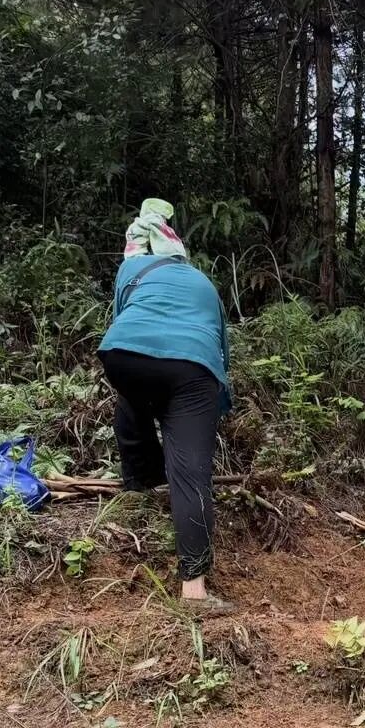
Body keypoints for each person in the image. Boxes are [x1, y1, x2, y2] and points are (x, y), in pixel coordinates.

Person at [98, 198, 234, 613]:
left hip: (123, 354)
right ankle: (194, 592)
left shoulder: (131, 268)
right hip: (194, 367)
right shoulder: (203, 284)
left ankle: (140, 483)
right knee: (191, 475)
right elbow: (221, 350)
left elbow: (125, 317)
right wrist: (213, 406)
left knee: (133, 396)